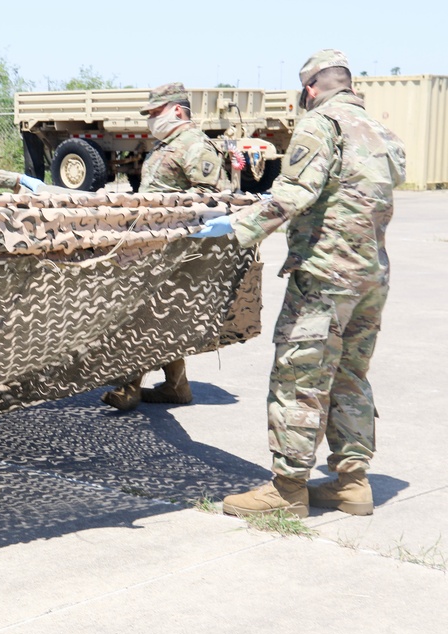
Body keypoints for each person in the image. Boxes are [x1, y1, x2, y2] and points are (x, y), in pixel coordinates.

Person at [191, 49, 406, 518]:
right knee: (350, 375)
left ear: (310, 89)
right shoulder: (380, 131)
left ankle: (287, 491)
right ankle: (353, 485)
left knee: (299, 376)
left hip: (325, 277)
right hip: (371, 276)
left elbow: (295, 192)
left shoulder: (321, 123)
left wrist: (237, 228)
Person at [101, 82, 228, 411]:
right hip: (150, 246)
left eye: (155, 112)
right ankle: (177, 386)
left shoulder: (194, 146)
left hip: (174, 249)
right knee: (163, 317)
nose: (151, 119)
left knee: (141, 315)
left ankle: (129, 387)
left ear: (176, 110)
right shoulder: (167, 144)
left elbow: (213, 199)